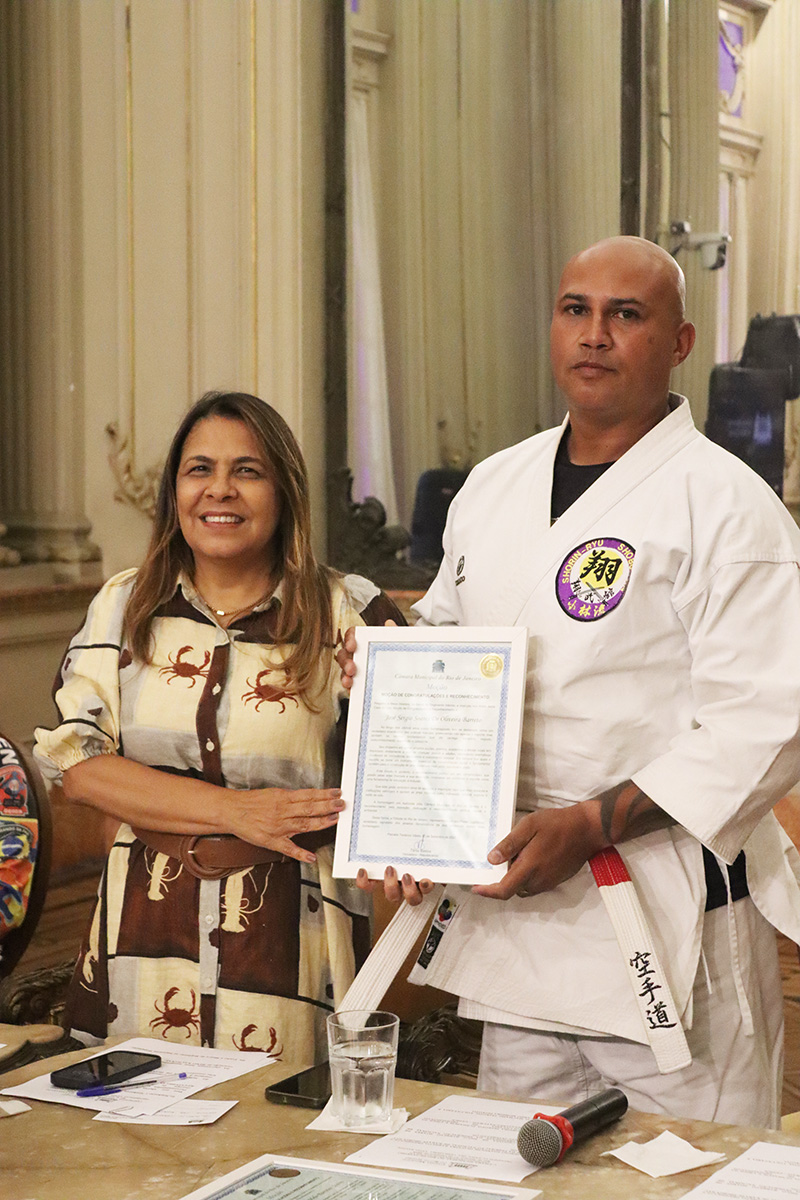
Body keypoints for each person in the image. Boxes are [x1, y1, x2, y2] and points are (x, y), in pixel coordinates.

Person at [342, 237, 800, 1127]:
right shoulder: (493, 484)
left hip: (669, 915)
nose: (594, 334)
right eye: (575, 309)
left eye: (625, 315)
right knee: (524, 1172)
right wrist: (390, 678)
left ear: (679, 342)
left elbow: (765, 724)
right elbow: (448, 639)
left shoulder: (728, 505)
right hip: (520, 917)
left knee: (692, 1180)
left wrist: (589, 823)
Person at [35, 391, 403, 1057]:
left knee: (285, 1144)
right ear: (175, 490)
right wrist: (238, 812)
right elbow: (82, 767)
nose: (220, 491)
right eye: (199, 469)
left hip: (295, 940)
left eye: (248, 471)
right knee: (134, 1149)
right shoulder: (124, 605)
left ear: (284, 488)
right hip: (141, 938)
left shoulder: (350, 614)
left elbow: (415, 775)